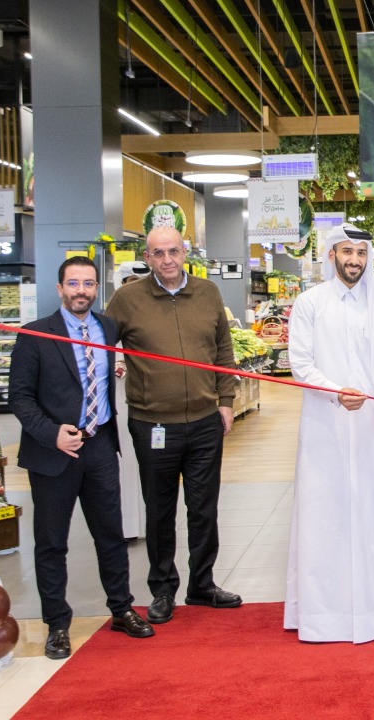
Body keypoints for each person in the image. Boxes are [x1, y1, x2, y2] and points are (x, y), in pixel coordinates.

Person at [9, 256, 153, 660]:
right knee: (51, 543)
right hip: (53, 453)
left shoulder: (106, 328)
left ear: (96, 288)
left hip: (101, 447)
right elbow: (19, 397)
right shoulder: (37, 335)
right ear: (60, 289)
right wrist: (51, 432)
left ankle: (122, 608)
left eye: (88, 284)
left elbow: (102, 375)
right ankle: (56, 623)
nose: (81, 291)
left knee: (111, 535)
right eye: (73, 284)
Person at [104, 227, 241, 625]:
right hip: (152, 423)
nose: (167, 260)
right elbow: (102, 342)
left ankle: (202, 585)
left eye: (173, 252)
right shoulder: (127, 299)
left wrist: (227, 401)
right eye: (158, 253)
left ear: (185, 253)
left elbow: (223, 349)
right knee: (159, 510)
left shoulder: (208, 292)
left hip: (204, 421)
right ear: (147, 257)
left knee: (203, 508)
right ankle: (163, 589)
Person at [283, 224, 374, 643]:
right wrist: (336, 394)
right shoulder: (310, 303)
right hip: (324, 429)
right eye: (346, 252)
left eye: (360, 253)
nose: (354, 260)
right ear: (332, 254)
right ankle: (322, 617)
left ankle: (368, 611)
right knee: (324, 517)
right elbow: (300, 364)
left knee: (367, 516)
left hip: (370, 428)